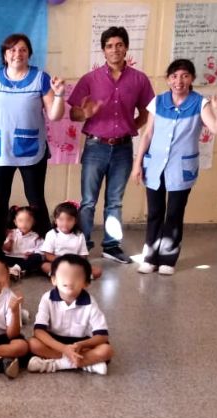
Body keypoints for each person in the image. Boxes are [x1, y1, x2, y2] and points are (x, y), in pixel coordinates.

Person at [131, 59, 217, 275]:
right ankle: (149, 257)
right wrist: (137, 164)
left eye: (185, 75)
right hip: (155, 166)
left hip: (181, 168)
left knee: (174, 214)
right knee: (155, 212)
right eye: (174, 76)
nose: (179, 81)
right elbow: (147, 134)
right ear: (168, 79)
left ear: (192, 79)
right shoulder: (158, 102)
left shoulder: (199, 103)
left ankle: (168, 258)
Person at [68, 26, 154, 264]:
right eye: (109, 46)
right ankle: (82, 245)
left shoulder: (139, 79)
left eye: (119, 45)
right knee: (88, 201)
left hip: (123, 149)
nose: (114, 49)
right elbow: (74, 113)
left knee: (115, 201)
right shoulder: (90, 79)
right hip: (95, 147)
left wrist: (130, 127)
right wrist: (85, 112)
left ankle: (111, 245)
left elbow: (148, 113)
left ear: (126, 48)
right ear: (103, 50)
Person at [0, 34, 65, 250]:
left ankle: (47, 247)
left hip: (31, 149)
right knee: (0, 201)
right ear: (5, 54)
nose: (17, 54)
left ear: (29, 53)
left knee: (36, 199)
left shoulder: (41, 78)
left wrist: (59, 96)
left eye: (22, 49)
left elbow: (55, 115)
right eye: (12, 50)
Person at [28, 255, 113, 375]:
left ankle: (56, 364)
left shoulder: (90, 302)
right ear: (54, 279)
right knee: (33, 344)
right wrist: (64, 349)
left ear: (86, 283)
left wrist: (81, 344)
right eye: (63, 274)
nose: (69, 280)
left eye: (76, 277)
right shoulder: (47, 298)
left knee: (106, 350)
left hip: (81, 344)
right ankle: (85, 364)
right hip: (55, 342)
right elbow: (38, 331)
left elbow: (102, 336)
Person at [40, 202, 102, 279]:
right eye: (61, 219)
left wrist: (76, 263)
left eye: (69, 220)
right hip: (58, 263)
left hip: (74, 264)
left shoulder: (79, 235)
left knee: (97, 271)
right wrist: (62, 260)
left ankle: (73, 276)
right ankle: (66, 276)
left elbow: (83, 255)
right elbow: (48, 255)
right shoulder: (51, 234)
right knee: (45, 266)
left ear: (75, 221)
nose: (65, 223)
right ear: (55, 220)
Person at [2, 206, 44, 279]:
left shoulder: (36, 236)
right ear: (15, 222)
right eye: (20, 221)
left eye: (28, 221)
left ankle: (16, 269)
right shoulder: (12, 233)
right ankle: (18, 271)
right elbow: (5, 250)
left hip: (25, 259)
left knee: (38, 258)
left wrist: (33, 253)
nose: (24, 224)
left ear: (33, 222)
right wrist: (10, 242)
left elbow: (42, 250)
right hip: (11, 257)